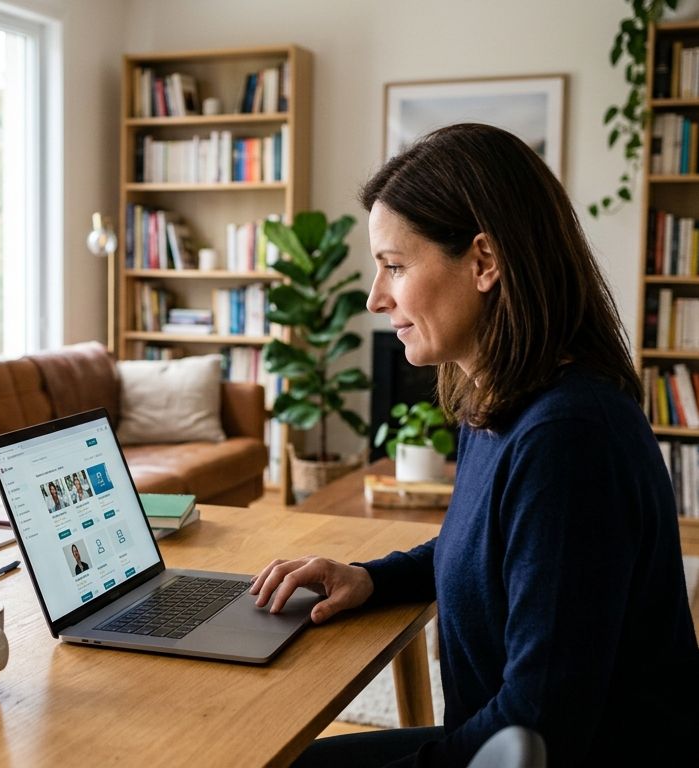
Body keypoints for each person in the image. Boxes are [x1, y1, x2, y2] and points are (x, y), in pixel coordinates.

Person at [250, 124, 699, 767]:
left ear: (484, 262)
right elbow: (489, 551)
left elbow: (540, 725)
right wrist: (369, 579)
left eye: (395, 267)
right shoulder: (500, 403)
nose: (377, 298)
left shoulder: (569, 439)